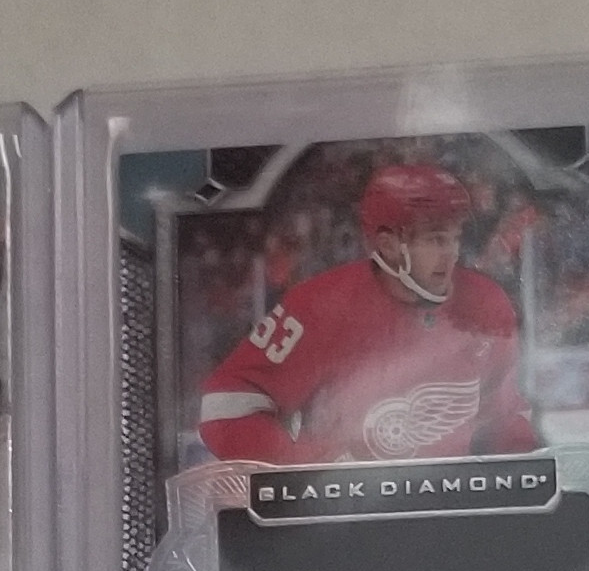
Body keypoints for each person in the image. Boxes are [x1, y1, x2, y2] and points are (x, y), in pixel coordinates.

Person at [196, 162, 541, 467]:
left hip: (448, 508)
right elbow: (227, 405)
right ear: (388, 246)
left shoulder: (487, 301)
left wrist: (514, 483)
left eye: (454, 238)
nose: (450, 254)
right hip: (342, 510)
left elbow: (505, 419)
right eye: (435, 240)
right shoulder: (318, 305)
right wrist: (302, 466)